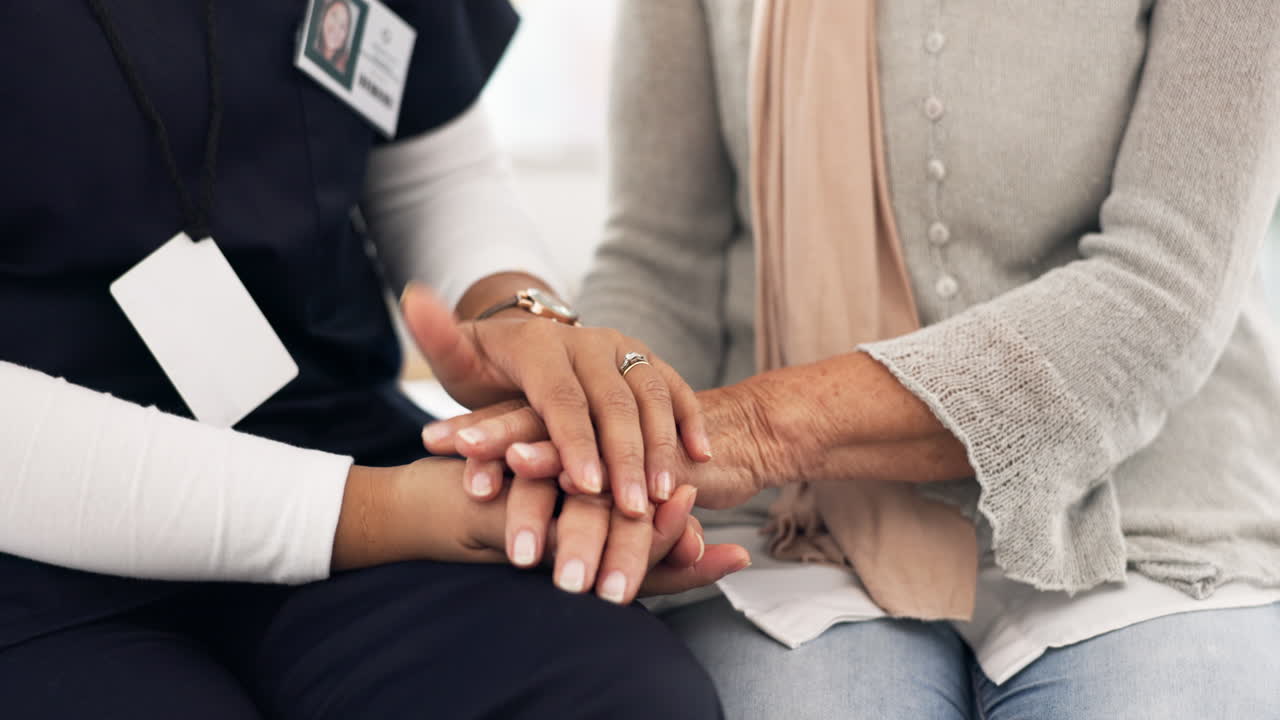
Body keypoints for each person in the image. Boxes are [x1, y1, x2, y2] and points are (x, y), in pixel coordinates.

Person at [427, 0, 1280, 717]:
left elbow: (1164, 281)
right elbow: (662, 257)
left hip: (1140, 510)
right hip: (795, 527)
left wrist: (751, 431)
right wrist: (604, 452)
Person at [0, 1, 747, 717]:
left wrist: (512, 316)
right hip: (39, 540)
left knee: (619, 695)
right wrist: (384, 511)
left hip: (342, 446)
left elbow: (434, 173)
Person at [314, 0, 353, 74]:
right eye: (334, 17)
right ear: (324, 17)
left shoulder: (346, 67)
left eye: (343, 26)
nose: (336, 28)